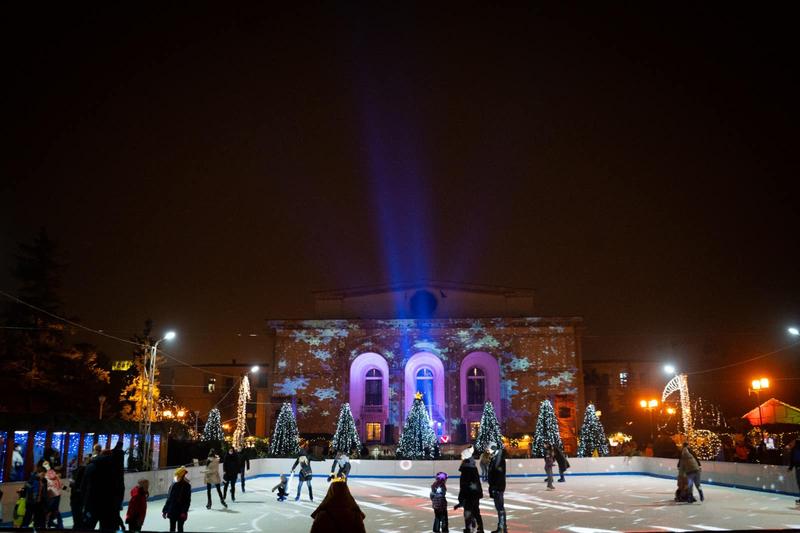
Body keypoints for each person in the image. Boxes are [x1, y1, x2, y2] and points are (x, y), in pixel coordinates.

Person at [454, 446, 483, 533]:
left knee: (468, 512)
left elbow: (464, 485)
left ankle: (468, 528)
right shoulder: (473, 467)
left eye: (462, 455)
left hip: (469, 494)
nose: (461, 457)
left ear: (466, 457)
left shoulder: (466, 469)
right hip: (475, 494)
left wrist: (461, 498)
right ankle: (480, 527)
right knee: (476, 511)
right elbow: (476, 483)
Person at [163, 466, 191, 532]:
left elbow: (187, 500)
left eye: (178, 475)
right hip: (173, 510)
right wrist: (165, 510)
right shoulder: (173, 485)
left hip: (180, 511)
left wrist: (184, 511)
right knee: (172, 528)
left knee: (179, 528)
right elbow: (169, 498)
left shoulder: (186, 486)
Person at [487, 442, 507, 533]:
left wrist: (495, 486)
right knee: (499, 507)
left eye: (489, 449)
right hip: (496, 486)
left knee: (500, 507)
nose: (488, 451)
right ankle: (502, 527)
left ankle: (502, 527)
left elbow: (498, 473)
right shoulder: (495, 458)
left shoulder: (498, 458)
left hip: (498, 486)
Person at [43, 460, 64, 529]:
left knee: (52, 509)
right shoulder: (50, 474)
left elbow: (59, 483)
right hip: (53, 494)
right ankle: (53, 523)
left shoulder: (50, 474)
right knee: (53, 510)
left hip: (53, 494)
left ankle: (55, 523)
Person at [788, 437, 800, 506]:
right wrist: (791, 467)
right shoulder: (794, 449)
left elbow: (794, 459)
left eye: (790, 444)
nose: (790, 445)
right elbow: (793, 460)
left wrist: (791, 467)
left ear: (793, 441)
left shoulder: (796, 449)